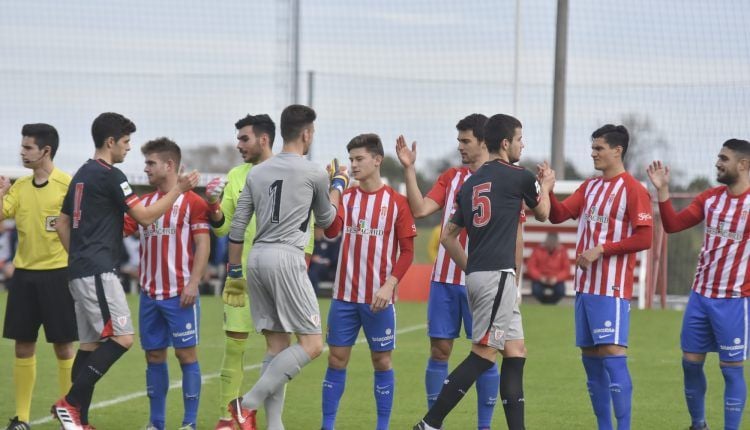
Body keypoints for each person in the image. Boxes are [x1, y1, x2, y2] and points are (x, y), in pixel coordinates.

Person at [52, 112, 199, 430]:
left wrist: (78, 257)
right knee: (123, 338)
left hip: (80, 271)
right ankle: (71, 404)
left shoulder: (80, 174)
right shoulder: (110, 175)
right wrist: (179, 190)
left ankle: (80, 421)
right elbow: (145, 218)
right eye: (126, 141)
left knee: (90, 346)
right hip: (98, 272)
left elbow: (62, 223)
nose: (129, 148)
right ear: (110, 142)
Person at [414, 113, 552, 430]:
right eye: (519, 139)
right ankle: (429, 423)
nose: (522, 144)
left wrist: (471, 269)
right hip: (497, 276)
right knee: (484, 353)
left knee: (516, 352)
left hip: (479, 276)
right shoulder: (519, 175)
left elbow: (447, 236)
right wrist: (545, 185)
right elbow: (543, 213)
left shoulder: (470, 183)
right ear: (505, 143)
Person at [223, 105, 346, 430]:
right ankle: (244, 406)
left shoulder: (257, 172)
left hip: (257, 259)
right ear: (306, 133)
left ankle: (274, 426)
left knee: (277, 346)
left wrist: (234, 272)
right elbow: (329, 223)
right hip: (286, 258)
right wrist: (339, 185)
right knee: (313, 344)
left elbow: (237, 227)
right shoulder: (314, 172)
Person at [205, 113, 316, 430]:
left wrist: (302, 267)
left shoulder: (290, 172)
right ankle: (228, 419)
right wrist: (212, 206)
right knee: (234, 346)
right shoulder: (237, 175)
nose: (238, 145)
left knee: (279, 347)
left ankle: (268, 420)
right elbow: (223, 227)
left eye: (244, 138)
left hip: (281, 273)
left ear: (264, 139)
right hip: (241, 278)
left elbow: (304, 226)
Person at [396, 113, 502, 430]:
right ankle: (434, 423)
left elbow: (515, 237)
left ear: (484, 142)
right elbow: (421, 210)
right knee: (440, 351)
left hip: (483, 282)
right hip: (444, 281)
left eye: (465, 141)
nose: (460, 147)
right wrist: (409, 169)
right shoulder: (451, 176)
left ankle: (484, 425)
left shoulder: (502, 179)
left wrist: (513, 283)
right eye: (459, 140)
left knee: (486, 354)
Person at [547, 124, 653, 430]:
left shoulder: (633, 189)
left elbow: (645, 238)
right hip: (585, 288)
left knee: (611, 353)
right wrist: (549, 189)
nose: (593, 154)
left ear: (617, 150)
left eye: (599, 148)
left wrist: (602, 249)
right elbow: (558, 215)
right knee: (590, 358)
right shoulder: (590, 186)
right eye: (592, 148)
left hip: (612, 287)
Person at [646, 139, 750, 430]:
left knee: (731, 371)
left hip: (734, 301)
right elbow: (673, 225)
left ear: (743, 165)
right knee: (690, 363)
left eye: (724, 158)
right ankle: (698, 425)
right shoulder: (711, 198)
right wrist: (663, 191)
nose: (718, 162)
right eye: (719, 157)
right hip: (700, 297)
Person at [320, 134, 416, 430]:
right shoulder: (347, 198)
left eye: (359, 159)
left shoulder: (397, 202)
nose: (354, 165)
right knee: (336, 360)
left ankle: (382, 426)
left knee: (382, 362)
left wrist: (390, 285)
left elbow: (408, 251)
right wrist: (333, 189)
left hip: (379, 299)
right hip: (345, 297)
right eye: (350, 160)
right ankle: (327, 425)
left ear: (377, 160)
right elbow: (331, 231)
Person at [122, 138, 210, 430]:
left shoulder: (193, 202)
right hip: (150, 295)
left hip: (180, 294)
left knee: (186, 355)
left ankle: (189, 423)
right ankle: (156, 423)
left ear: (169, 165)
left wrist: (193, 283)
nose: (145, 168)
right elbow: (120, 230)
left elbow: (203, 243)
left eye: (150, 163)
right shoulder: (143, 205)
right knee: (154, 355)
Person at [0, 124, 76, 430]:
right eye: (22, 146)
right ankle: (22, 419)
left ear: (46, 151)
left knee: (63, 347)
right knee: (22, 346)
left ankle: (70, 417)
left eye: (28, 147)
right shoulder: (19, 187)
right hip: (24, 277)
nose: (22, 152)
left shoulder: (67, 185)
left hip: (59, 276)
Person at [526, 232, 571, 304]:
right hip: (540, 278)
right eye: (550, 241)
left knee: (560, 291)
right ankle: (545, 304)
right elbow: (531, 267)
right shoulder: (538, 249)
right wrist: (540, 277)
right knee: (536, 291)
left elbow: (566, 269)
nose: (551, 244)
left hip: (556, 279)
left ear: (557, 242)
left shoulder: (562, 251)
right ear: (546, 241)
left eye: (553, 242)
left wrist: (556, 278)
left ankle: (549, 304)